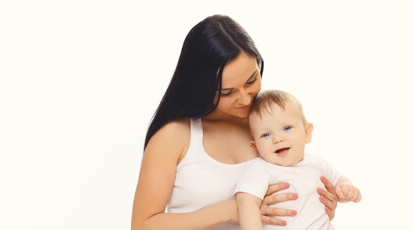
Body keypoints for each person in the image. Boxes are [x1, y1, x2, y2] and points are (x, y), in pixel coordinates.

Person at [131, 15, 340, 229]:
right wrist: (229, 210)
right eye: (228, 92)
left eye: (251, 80)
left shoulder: (267, 123)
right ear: (202, 86)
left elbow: (301, 178)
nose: (246, 98)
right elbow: (142, 225)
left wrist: (319, 204)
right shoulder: (175, 135)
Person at [234, 90, 362, 230]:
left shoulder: (316, 164)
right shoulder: (261, 169)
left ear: (306, 133)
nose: (277, 139)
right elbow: (246, 203)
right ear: (255, 147)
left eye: (287, 128)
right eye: (265, 134)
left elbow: (339, 184)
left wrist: (346, 188)